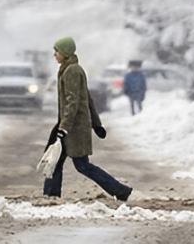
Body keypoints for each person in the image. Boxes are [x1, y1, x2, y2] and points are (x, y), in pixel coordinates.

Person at [43, 36, 132, 202]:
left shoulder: (72, 71)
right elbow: (87, 99)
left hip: (73, 128)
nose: (55, 54)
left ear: (65, 52)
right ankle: (50, 194)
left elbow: (73, 102)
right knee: (55, 160)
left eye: (57, 51)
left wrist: (64, 129)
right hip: (70, 125)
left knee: (82, 165)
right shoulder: (70, 69)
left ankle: (119, 190)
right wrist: (96, 124)